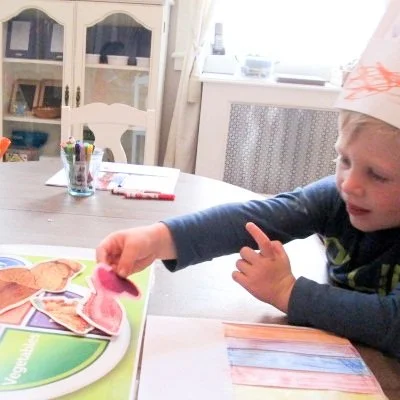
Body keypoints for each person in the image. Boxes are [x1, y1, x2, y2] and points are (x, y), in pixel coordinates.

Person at [96, 107, 400, 359]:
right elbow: (255, 219)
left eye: (377, 174)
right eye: (345, 160)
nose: (348, 184)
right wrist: (158, 239)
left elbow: (392, 323)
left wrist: (287, 291)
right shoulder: (337, 196)